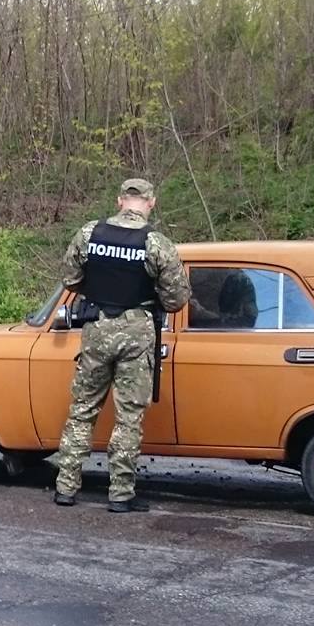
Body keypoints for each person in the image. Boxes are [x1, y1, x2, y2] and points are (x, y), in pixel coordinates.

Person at [50, 178, 190, 512]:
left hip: (96, 327)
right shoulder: (156, 243)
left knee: (82, 410)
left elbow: (69, 279)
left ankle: (66, 488)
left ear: (119, 201)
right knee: (128, 417)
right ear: (151, 203)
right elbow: (176, 300)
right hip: (137, 332)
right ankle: (120, 494)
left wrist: (98, 289)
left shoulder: (88, 234)